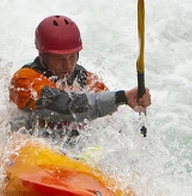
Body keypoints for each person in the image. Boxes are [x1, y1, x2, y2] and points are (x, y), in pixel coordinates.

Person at [9, 14, 151, 135]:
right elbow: (66, 107)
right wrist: (122, 97)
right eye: (59, 60)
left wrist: (135, 102)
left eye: (72, 57)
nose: (68, 66)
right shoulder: (25, 81)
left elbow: (110, 118)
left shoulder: (85, 79)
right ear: (42, 55)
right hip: (29, 142)